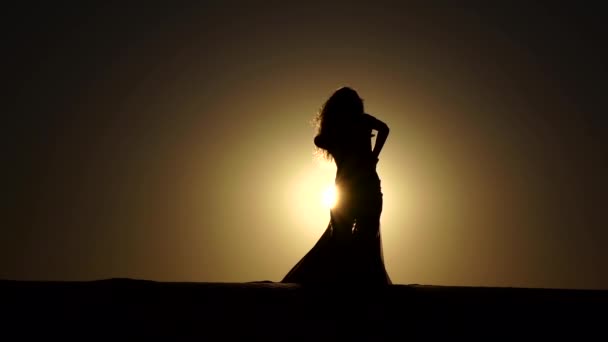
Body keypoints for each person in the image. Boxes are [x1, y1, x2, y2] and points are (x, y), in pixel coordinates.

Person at [282, 87, 391, 285]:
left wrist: (372, 153)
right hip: (359, 189)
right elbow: (384, 129)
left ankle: (346, 283)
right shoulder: (358, 124)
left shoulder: (339, 130)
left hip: (352, 190)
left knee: (347, 237)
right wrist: (372, 153)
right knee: (355, 238)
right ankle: (350, 283)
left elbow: (321, 140)